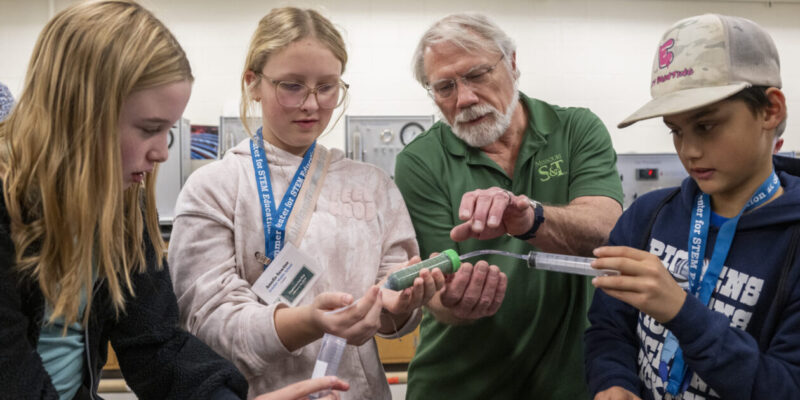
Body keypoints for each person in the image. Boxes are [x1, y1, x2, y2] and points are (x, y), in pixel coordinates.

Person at [0, 1, 348, 399]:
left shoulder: (119, 207)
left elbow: (157, 344)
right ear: (78, 113)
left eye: (167, 131)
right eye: (149, 129)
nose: (163, 152)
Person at [168, 7, 441, 400]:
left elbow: (395, 302)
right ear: (253, 83)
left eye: (327, 86)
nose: (312, 104)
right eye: (292, 86)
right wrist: (311, 322)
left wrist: (395, 305)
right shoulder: (214, 188)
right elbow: (207, 321)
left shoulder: (372, 185)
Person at [394, 12, 624, 399]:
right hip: (460, 386)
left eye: (477, 75)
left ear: (513, 64)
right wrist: (451, 302)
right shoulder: (420, 161)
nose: (464, 99)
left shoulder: (576, 130)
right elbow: (436, 295)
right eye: (445, 87)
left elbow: (606, 229)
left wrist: (530, 218)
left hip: (567, 384)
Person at [585, 14, 800, 400]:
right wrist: (612, 382)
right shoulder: (647, 217)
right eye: (676, 130)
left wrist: (683, 313)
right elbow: (608, 326)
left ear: (770, 110)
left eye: (706, 126)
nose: (689, 151)